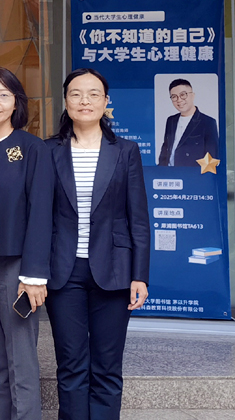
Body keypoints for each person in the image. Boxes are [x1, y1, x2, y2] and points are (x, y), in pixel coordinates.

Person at [46, 68, 150, 420]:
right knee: (71, 365)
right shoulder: (48, 151)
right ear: (66, 101)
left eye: (93, 94)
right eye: (76, 94)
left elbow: (138, 218)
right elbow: (39, 216)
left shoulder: (125, 151)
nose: (84, 101)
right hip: (63, 271)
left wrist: (140, 275)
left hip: (115, 270)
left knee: (107, 366)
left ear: (106, 102)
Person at [0, 66, 53, 420]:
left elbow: (41, 214)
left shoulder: (32, 149)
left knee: (21, 358)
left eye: (3, 95)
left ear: (16, 102)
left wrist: (33, 275)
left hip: (16, 265)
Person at [156, 78, 218, 167]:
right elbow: (166, 148)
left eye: (183, 95)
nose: (179, 100)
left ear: (192, 95)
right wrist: (161, 170)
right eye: (174, 96)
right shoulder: (171, 120)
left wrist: (197, 175)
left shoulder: (208, 122)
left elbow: (211, 157)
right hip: (169, 172)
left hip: (191, 173)